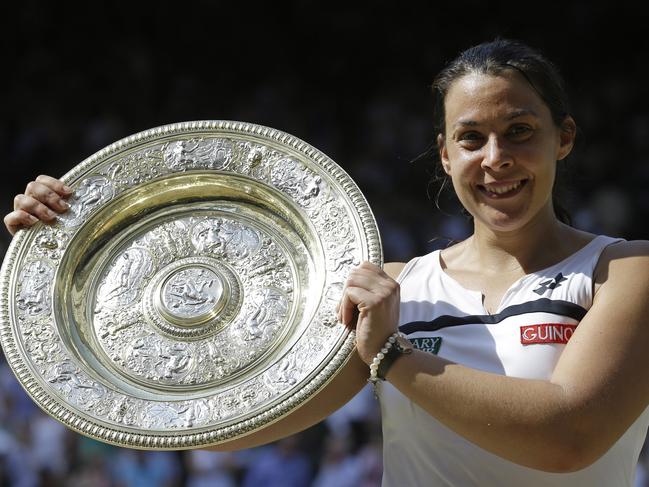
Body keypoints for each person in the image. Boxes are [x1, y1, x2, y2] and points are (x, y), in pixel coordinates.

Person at [5, 39, 649, 486]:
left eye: (520, 132)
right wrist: (70, 251)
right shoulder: (394, 288)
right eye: (470, 137)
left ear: (563, 137)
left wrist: (391, 356)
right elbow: (225, 425)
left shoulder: (627, 272)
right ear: (445, 154)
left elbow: (571, 438)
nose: (495, 158)